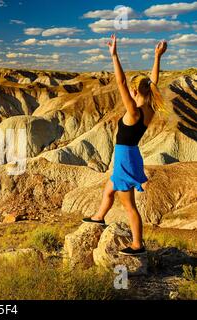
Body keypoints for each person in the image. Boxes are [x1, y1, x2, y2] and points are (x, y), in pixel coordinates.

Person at [82, 34, 168, 256]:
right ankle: (99, 217)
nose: (128, 91)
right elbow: (153, 82)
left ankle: (138, 245)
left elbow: (119, 82)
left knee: (129, 206)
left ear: (135, 92)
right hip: (130, 154)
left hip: (125, 157)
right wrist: (157, 57)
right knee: (109, 190)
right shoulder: (149, 108)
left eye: (132, 89)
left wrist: (114, 55)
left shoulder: (134, 112)